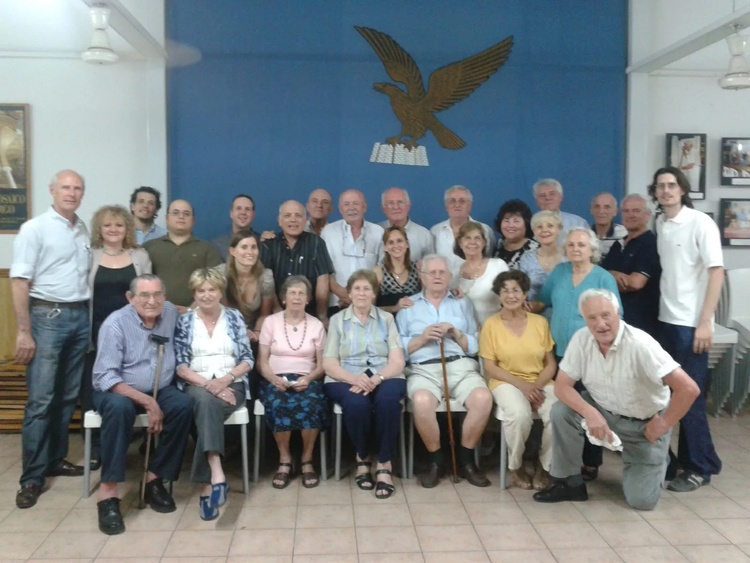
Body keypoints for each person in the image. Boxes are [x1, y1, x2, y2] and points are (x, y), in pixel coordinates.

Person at [533, 289, 700, 510]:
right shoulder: (581, 339)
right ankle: (569, 483)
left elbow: (688, 389)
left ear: (618, 312)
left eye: (606, 315)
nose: (600, 324)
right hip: (603, 410)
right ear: (584, 319)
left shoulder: (641, 345)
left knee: (642, 501)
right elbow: (562, 386)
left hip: (644, 425)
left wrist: (663, 424)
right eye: (592, 318)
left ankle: (655, 458)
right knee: (561, 410)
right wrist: (590, 412)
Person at [11, 169, 91, 510]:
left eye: (77, 188)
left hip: (80, 316)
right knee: (41, 401)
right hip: (47, 318)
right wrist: (24, 331)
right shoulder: (34, 228)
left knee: (67, 396)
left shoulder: (82, 228)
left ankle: (56, 459)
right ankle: (32, 477)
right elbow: (19, 281)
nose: (71, 193)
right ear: (52, 190)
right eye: (66, 188)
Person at [92, 274, 194, 535]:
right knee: (119, 409)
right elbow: (105, 376)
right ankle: (108, 493)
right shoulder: (116, 323)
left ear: (165, 296)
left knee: (183, 405)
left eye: (157, 294)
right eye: (144, 295)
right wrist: (147, 401)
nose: (152, 301)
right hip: (119, 389)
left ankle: (154, 479)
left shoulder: (169, 312)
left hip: (160, 387)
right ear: (130, 298)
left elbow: (194, 311)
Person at [649, 166, 724, 492]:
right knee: (667, 397)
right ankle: (702, 459)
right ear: (655, 192)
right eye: (660, 186)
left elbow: (717, 272)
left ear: (682, 189)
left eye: (672, 185)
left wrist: (705, 322)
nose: (666, 190)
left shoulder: (700, 222)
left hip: (691, 326)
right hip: (666, 321)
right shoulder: (660, 223)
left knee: (690, 398)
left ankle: (699, 469)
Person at [397, 254, 492, 489]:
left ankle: (466, 460)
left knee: (483, 398)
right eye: (432, 272)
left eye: (442, 273)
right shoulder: (408, 306)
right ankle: (436, 461)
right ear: (422, 277)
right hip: (423, 369)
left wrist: (456, 333)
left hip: (460, 366)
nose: (437, 277)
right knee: (421, 401)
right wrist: (422, 338)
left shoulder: (462, 303)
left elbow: (475, 345)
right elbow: (398, 350)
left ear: (450, 277)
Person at [536, 226, 621, 481]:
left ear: (592, 250)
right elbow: (542, 301)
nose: (576, 249)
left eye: (581, 245)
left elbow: (616, 316)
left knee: (589, 405)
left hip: (591, 354)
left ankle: (591, 462)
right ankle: (566, 463)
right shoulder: (559, 272)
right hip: (559, 352)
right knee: (564, 408)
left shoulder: (603, 277)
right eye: (571, 245)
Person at [174, 268, 253, 521]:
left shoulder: (234, 317)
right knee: (206, 402)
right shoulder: (185, 321)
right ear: (194, 294)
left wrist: (225, 380)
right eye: (201, 290)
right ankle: (216, 473)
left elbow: (247, 359)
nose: (206, 295)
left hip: (232, 383)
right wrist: (210, 384)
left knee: (207, 408)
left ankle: (208, 485)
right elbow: (180, 365)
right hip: (196, 383)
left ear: (220, 292)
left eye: (212, 290)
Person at [323, 270, 406, 499]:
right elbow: (329, 363)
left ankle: (384, 462)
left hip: (384, 373)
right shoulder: (338, 320)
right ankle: (362, 457)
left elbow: (397, 361)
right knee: (356, 404)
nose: (361, 293)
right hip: (345, 375)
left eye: (366, 289)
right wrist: (354, 379)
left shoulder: (387, 319)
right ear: (349, 293)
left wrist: (377, 378)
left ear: (374, 294)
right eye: (357, 289)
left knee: (388, 402)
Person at [83, 204, 152, 469]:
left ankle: (142, 439)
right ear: (99, 229)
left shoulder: (140, 256)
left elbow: (148, 293)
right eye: (108, 225)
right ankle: (97, 446)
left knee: (133, 380)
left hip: (133, 332)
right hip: (96, 330)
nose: (113, 229)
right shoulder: (90, 255)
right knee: (95, 386)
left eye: (119, 225)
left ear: (128, 228)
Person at [479, 271, 557, 490]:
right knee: (519, 414)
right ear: (499, 295)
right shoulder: (490, 325)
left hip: (540, 380)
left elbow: (550, 363)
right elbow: (490, 367)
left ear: (525, 294)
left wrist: (536, 387)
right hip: (505, 381)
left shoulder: (540, 322)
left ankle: (545, 466)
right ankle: (516, 465)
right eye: (505, 291)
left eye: (516, 290)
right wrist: (523, 386)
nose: (510, 295)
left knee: (557, 414)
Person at [257, 276, 328, 489]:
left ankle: (307, 459)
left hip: (307, 378)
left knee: (312, 403)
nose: (296, 297)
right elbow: (261, 362)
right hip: (275, 378)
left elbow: (323, 365)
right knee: (278, 403)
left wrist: (309, 378)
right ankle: (285, 459)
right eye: (292, 293)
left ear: (308, 299)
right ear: (284, 298)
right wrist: (273, 378)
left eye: (301, 293)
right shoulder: (270, 322)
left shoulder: (316, 325)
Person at [261, 200, 334, 322]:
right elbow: (266, 283)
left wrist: (321, 316)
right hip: (276, 314)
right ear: (279, 220)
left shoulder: (316, 243)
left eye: (298, 215)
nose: (293, 220)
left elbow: (323, 280)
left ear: (305, 220)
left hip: (310, 316)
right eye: (287, 215)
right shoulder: (268, 244)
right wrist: (277, 311)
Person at [144, 200, 223, 311]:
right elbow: (141, 284)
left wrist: (191, 309)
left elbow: (216, 285)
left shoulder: (207, 249)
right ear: (167, 218)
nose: (181, 217)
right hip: (156, 313)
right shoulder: (149, 247)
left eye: (186, 214)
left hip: (196, 314)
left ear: (193, 220)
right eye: (175, 213)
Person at [601, 194, 661, 334]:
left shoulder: (651, 244)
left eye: (636, 211)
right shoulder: (618, 245)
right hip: (616, 322)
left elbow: (635, 283)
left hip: (642, 324)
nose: (630, 215)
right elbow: (600, 278)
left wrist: (609, 278)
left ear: (647, 215)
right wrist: (614, 275)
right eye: (626, 211)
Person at [321, 189, 384, 314]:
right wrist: (344, 294)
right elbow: (323, 271)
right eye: (346, 204)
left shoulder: (378, 232)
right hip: (337, 303)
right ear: (340, 209)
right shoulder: (328, 232)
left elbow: (381, 270)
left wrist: (359, 298)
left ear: (364, 207)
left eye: (356, 203)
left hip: (368, 306)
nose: (351, 208)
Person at [222, 231, 275, 344]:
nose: (250, 252)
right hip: (224, 331)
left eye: (254, 247)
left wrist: (256, 333)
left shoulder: (265, 277)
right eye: (244, 247)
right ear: (232, 251)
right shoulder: (220, 274)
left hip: (253, 332)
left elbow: (264, 315)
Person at [430, 185, 495, 278]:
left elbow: (487, 257)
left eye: (462, 201)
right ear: (446, 206)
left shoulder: (484, 230)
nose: (457, 205)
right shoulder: (435, 231)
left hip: (476, 282)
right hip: (444, 284)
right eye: (452, 201)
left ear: (469, 206)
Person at [519, 210, 565, 306]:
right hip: (532, 312)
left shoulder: (569, 257)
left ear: (559, 229)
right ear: (534, 232)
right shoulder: (527, 258)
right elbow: (520, 288)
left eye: (550, 226)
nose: (544, 230)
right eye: (539, 227)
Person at [373, 226, 421, 314]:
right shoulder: (378, 272)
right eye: (391, 242)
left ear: (407, 244)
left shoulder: (417, 269)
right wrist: (394, 308)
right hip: (387, 320)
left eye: (399, 241)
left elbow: (427, 301)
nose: (396, 246)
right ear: (385, 247)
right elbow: (370, 309)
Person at [379, 186, 434, 261]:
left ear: (408, 206)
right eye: (391, 203)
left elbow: (432, 265)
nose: (396, 207)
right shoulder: (377, 232)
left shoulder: (424, 235)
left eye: (400, 202)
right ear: (383, 208)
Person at [532, 179, 588, 245]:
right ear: (536, 201)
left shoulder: (578, 223)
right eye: (542, 195)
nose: (547, 198)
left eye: (552, 194)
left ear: (561, 197)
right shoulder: (530, 225)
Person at [492, 198, 539, 269]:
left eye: (516, 221)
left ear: (526, 224)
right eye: (506, 221)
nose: (511, 225)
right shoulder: (498, 245)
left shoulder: (535, 250)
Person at [211, 194, 258, 260]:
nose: (243, 212)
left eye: (248, 209)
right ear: (231, 213)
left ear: (253, 214)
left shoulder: (262, 243)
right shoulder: (217, 245)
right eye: (238, 208)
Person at [589, 192, 627, 262]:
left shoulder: (624, 234)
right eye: (597, 207)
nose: (601, 211)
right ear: (591, 210)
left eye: (607, 207)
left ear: (615, 211)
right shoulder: (585, 234)